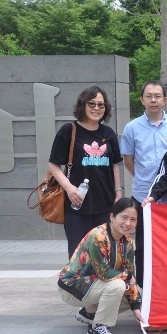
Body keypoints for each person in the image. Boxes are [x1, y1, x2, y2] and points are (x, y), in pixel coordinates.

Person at [120, 80, 167, 286]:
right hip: (143, 195)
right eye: (149, 96)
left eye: (157, 96)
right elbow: (128, 160)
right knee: (143, 244)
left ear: (165, 99)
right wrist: (144, 177)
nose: (153, 100)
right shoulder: (132, 128)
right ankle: (144, 288)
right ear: (142, 100)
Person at [49, 85, 123, 258]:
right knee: (79, 256)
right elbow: (53, 165)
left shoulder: (108, 133)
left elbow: (114, 165)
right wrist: (69, 188)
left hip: (105, 206)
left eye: (101, 105)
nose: (96, 108)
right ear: (82, 105)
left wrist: (118, 192)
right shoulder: (69, 131)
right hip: (77, 206)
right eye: (92, 104)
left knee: (104, 254)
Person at [57, 198, 143, 334]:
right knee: (117, 286)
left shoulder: (128, 242)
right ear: (112, 216)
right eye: (124, 217)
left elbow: (130, 277)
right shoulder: (98, 236)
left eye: (133, 219)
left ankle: (89, 313)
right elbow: (104, 273)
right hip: (73, 288)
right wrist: (129, 276)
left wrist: (136, 308)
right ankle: (98, 327)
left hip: (94, 286)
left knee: (133, 294)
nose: (128, 223)